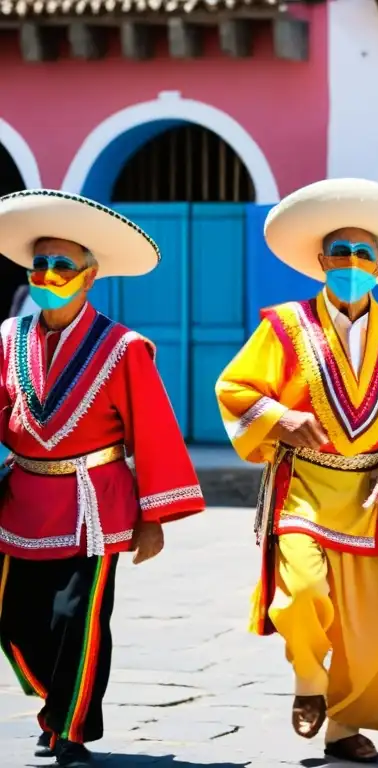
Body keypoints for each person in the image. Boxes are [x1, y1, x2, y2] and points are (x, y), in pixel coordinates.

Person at [215, 178, 378, 765]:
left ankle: (344, 728)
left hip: (374, 494)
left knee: (368, 625)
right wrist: (281, 418)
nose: (350, 264)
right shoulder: (284, 326)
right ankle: (307, 681)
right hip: (305, 487)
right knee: (299, 595)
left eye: (362, 254)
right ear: (320, 262)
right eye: (339, 254)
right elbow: (236, 386)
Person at [0, 190, 206, 767]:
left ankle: (71, 729)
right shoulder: (8, 338)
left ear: (90, 278)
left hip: (95, 505)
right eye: (39, 264)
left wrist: (154, 518)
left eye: (63, 266)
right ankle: (57, 700)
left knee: (76, 618)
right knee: (11, 619)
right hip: (20, 501)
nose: (49, 275)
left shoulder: (124, 348)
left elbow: (155, 434)